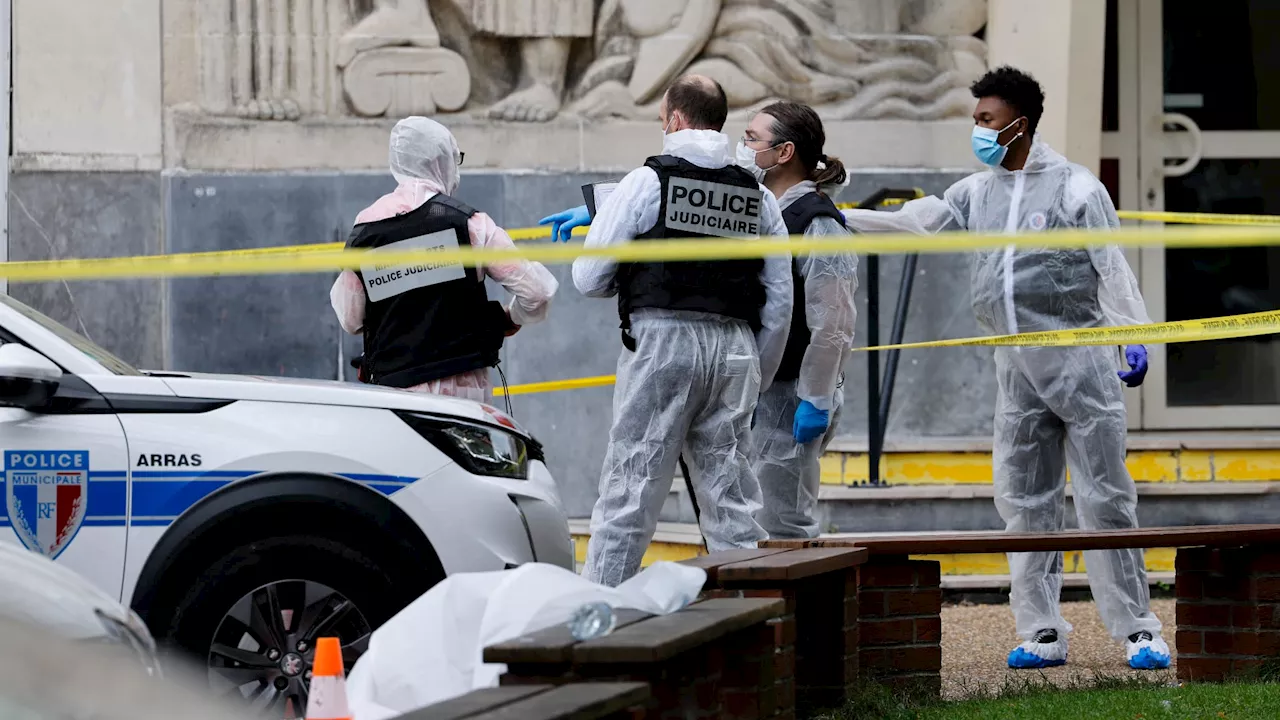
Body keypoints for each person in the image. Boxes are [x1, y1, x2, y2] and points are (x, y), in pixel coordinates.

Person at [842, 66, 1168, 671]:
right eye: (977, 120)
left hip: (1080, 363)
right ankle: (1041, 629)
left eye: (986, 120)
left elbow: (1110, 263)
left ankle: (1139, 630)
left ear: (1020, 122)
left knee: (1106, 499)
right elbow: (916, 220)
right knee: (1024, 500)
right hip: (1014, 367)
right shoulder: (977, 192)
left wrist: (1135, 333)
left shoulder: (1076, 188)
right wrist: (835, 215)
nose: (979, 130)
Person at [557, 74, 794, 587]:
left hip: (661, 344)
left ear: (674, 120)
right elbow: (779, 300)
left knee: (630, 492)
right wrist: (758, 373)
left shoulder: (646, 182)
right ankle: (755, 630)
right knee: (733, 504)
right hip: (736, 351)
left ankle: (602, 623)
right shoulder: (757, 195)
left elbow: (589, 277)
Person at [330, 117, 558, 403]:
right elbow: (537, 292)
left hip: (395, 392)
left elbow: (350, 319)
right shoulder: (469, 224)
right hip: (463, 391)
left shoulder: (365, 230)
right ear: (442, 161)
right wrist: (510, 317)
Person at [737, 101, 858, 539]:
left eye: (751, 138)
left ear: (784, 152)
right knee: (754, 525)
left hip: (792, 395)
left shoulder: (818, 224)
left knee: (783, 526)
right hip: (761, 392)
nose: (743, 147)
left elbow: (834, 322)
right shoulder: (765, 209)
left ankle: (800, 610)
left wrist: (816, 396)